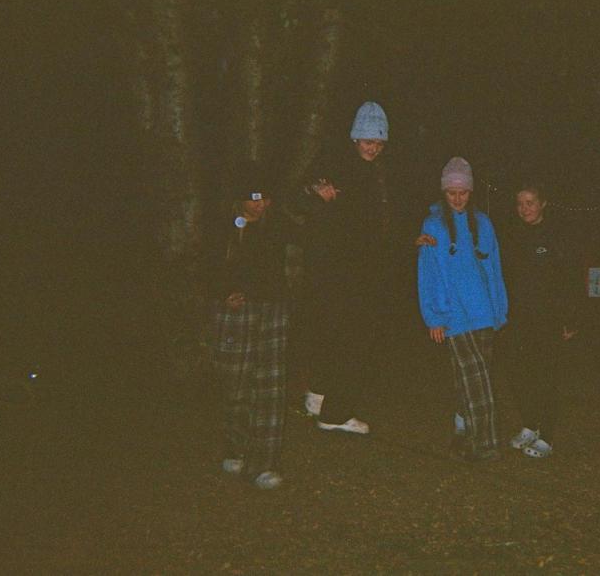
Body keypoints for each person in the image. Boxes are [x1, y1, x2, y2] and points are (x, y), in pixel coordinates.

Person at [293, 101, 411, 435]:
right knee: (352, 341)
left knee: (339, 336)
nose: (373, 148)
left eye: (378, 142)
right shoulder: (335, 164)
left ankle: (318, 396)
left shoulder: (379, 172)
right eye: (367, 141)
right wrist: (315, 193)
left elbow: (385, 220)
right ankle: (334, 413)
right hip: (340, 271)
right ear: (354, 138)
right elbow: (298, 199)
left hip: (363, 269)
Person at [417, 157, 508, 462]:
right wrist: (434, 316)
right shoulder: (432, 226)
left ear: (471, 192)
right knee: (477, 379)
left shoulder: (483, 223)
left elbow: (493, 267)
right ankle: (486, 442)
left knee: (467, 377)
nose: (457, 199)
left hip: (483, 312)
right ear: (443, 192)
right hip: (454, 315)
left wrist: (499, 308)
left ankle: (462, 428)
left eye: (463, 192)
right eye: (451, 192)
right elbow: (428, 272)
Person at [206, 168, 292, 490]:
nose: (260, 205)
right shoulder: (223, 228)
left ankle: (265, 464)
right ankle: (236, 447)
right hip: (235, 314)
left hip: (272, 309)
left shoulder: (276, 225)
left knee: (269, 387)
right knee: (236, 383)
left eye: (265, 198)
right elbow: (209, 267)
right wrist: (224, 291)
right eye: (254, 199)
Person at [500, 182, 581, 458]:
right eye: (520, 203)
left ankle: (546, 435)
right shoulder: (512, 235)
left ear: (543, 203)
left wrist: (569, 319)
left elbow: (570, 278)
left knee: (546, 376)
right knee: (518, 373)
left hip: (548, 318)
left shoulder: (556, 236)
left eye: (530, 202)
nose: (525, 209)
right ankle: (529, 425)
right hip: (518, 318)